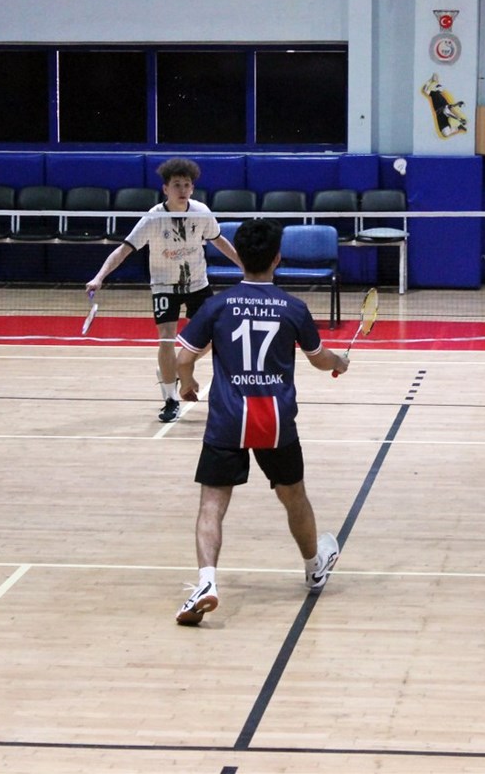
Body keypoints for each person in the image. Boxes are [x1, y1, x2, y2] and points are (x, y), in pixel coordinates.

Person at [172, 218, 349, 626]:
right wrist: (339, 362)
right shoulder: (293, 307)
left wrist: (188, 383)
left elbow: (183, 358)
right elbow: (320, 360)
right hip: (276, 422)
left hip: (227, 419)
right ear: (277, 258)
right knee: (294, 496)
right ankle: (314, 567)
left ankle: (206, 582)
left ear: (240, 258)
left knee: (212, 505)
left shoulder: (217, 305)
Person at [85, 158, 242, 423]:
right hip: (164, 286)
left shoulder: (201, 212)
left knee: (217, 336)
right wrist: (99, 277)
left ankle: (178, 366)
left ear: (193, 188)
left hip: (197, 284)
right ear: (165, 189)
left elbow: (219, 241)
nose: (182, 190)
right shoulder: (153, 218)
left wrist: (245, 266)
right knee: (166, 338)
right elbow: (124, 250)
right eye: (177, 185)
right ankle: (170, 399)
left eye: (187, 185)